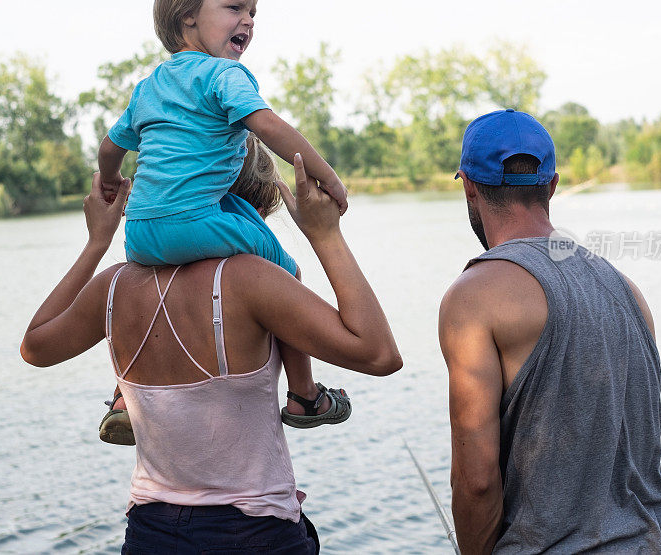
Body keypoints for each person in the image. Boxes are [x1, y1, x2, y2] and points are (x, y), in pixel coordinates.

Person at [20, 153, 401, 553]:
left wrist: (98, 241)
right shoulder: (251, 278)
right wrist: (326, 235)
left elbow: (35, 346)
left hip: (150, 531)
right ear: (253, 208)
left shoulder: (113, 286)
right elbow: (379, 355)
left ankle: (120, 399)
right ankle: (304, 395)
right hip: (253, 533)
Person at [96, 0, 351, 437]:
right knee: (289, 270)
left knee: (152, 281)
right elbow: (270, 127)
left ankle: (124, 397)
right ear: (187, 15)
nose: (248, 22)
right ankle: (303, 394)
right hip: (193, 221)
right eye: (235, 8)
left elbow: (111, 147)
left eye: (253, 13)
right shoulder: (223, 76)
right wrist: (327, 177)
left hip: (139, 234)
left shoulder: (149, 87)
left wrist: (110, 182)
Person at [439, 109, 661, 554]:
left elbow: (476, 483)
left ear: (469, 186)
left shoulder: (475, 297)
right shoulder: (625, 288)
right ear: (551, 185)